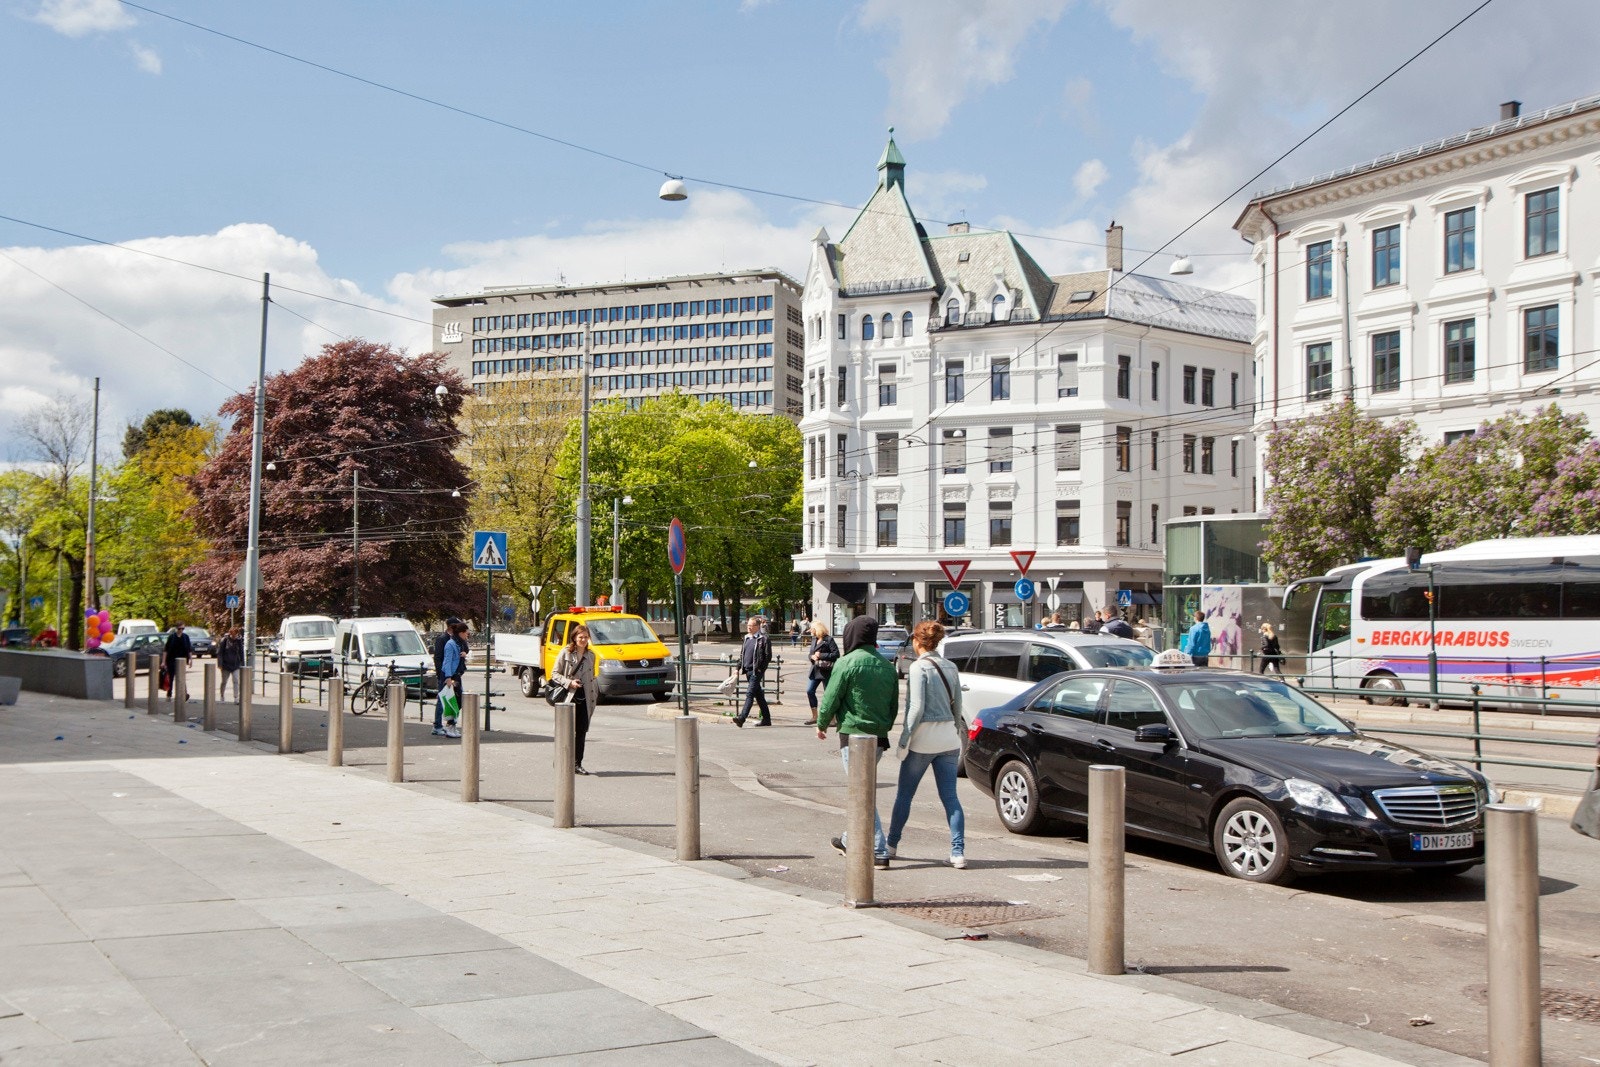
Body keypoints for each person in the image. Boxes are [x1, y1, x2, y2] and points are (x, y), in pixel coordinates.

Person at [816, 616, 898, 869]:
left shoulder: (845, 662)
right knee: (864, 790)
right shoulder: (886, 665)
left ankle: (877, 849)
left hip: (852, 735)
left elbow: (831, 697)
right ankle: (849, 838)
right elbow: (893, 706)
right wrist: (884, 726)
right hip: (879, 737)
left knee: (861, 793)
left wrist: (822, 724)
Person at [886, 620, 966, 869]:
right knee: (950, 797)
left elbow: (916, 707)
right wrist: (953, 728)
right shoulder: (951, 667)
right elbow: (958, 706)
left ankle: (891, 845)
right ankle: (958, 852)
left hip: (923, 740)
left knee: (905, 795)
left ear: (917, 642)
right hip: (948, 740)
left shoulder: (919, 668)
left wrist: (904, 738)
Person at [551, 623, 600, 774]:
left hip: (585, 698)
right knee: (566, 731)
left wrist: (595, 695)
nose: (583, 640)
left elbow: (592, 678)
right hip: (569, 697)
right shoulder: (565, 652)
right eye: (580, 637)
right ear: (574, 637)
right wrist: (569, 682)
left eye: (586, 637)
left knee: (581, 732)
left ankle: (577, 764)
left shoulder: (591, 655)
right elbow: (554, 674)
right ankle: (561, 760)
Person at [733, 616, 772, 727]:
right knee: (759, 695)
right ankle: (767, 719)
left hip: (756, 671)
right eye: (748, 625)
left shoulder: (763, 639)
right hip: (748, 670)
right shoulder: (747, 638)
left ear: (758, 626)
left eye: (751, 626)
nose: (749, 627)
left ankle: (742, 718)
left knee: (750, 693)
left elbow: (767, 657)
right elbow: (742, 655)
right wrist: (737, 668)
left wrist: (760, 669)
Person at [435, 621, 469, 738]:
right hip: (450, 675)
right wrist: (448, 677)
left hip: (456, 674)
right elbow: (447, 661)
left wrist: (464, 654)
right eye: (466, 633)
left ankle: (452, 725)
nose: (467, 636)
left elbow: (461, 654)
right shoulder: (450, 644)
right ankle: (449, 726)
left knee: (458, 700)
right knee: (451, 700)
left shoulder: (459, 643)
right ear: (460, 633)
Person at [804, 620, 839, 726]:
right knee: (810, 691)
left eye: (812, 628)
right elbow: (810, 654)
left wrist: (821, 655)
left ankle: (832, 718)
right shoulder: (814, 639)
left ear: (817, 629)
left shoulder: (828, 639)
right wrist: (812, 656)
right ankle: (815, 716)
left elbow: (836, 654)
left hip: (826, 670)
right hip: (815, 670)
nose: (810, 630)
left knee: (828, 694)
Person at [163, 622, 193, 697]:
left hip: (182, 660)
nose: (181, 630)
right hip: (172, 660)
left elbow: (189, 649)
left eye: (183, 629)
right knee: (171, 677)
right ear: (176, 628)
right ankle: (169, 693)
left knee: (182, 677)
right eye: (180, 628)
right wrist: (163, 662)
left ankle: (184, 693)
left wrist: (190, 660)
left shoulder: (186, 637)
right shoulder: (172, 637)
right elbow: (166, 650)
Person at [217, 626, 244, 703]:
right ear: (230, 634)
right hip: (226, 665)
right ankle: (222, 695)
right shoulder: (224, 640)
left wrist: (242, 664)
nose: (234, 637)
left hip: (235, 664)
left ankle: (236, 697)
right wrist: (220, 664)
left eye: (235, 635)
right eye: (232, 635)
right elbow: (220, 653)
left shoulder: (239, 641)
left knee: (236, 680)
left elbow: (241, 653)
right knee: (224, 681)